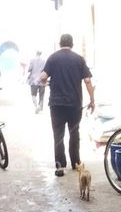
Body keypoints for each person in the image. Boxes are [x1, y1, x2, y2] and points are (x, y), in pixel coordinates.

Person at [41, 34, 95, 176]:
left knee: (58, 135)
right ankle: (76, 162)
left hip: (56, 104)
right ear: (72, 44)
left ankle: (60, 167)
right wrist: (92, 99)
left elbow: (43, 77)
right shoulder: (79, 59)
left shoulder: (53, 58)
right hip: (74, 104)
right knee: (74, 133)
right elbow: (87, 80)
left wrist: (45, 82)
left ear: (60, 43)